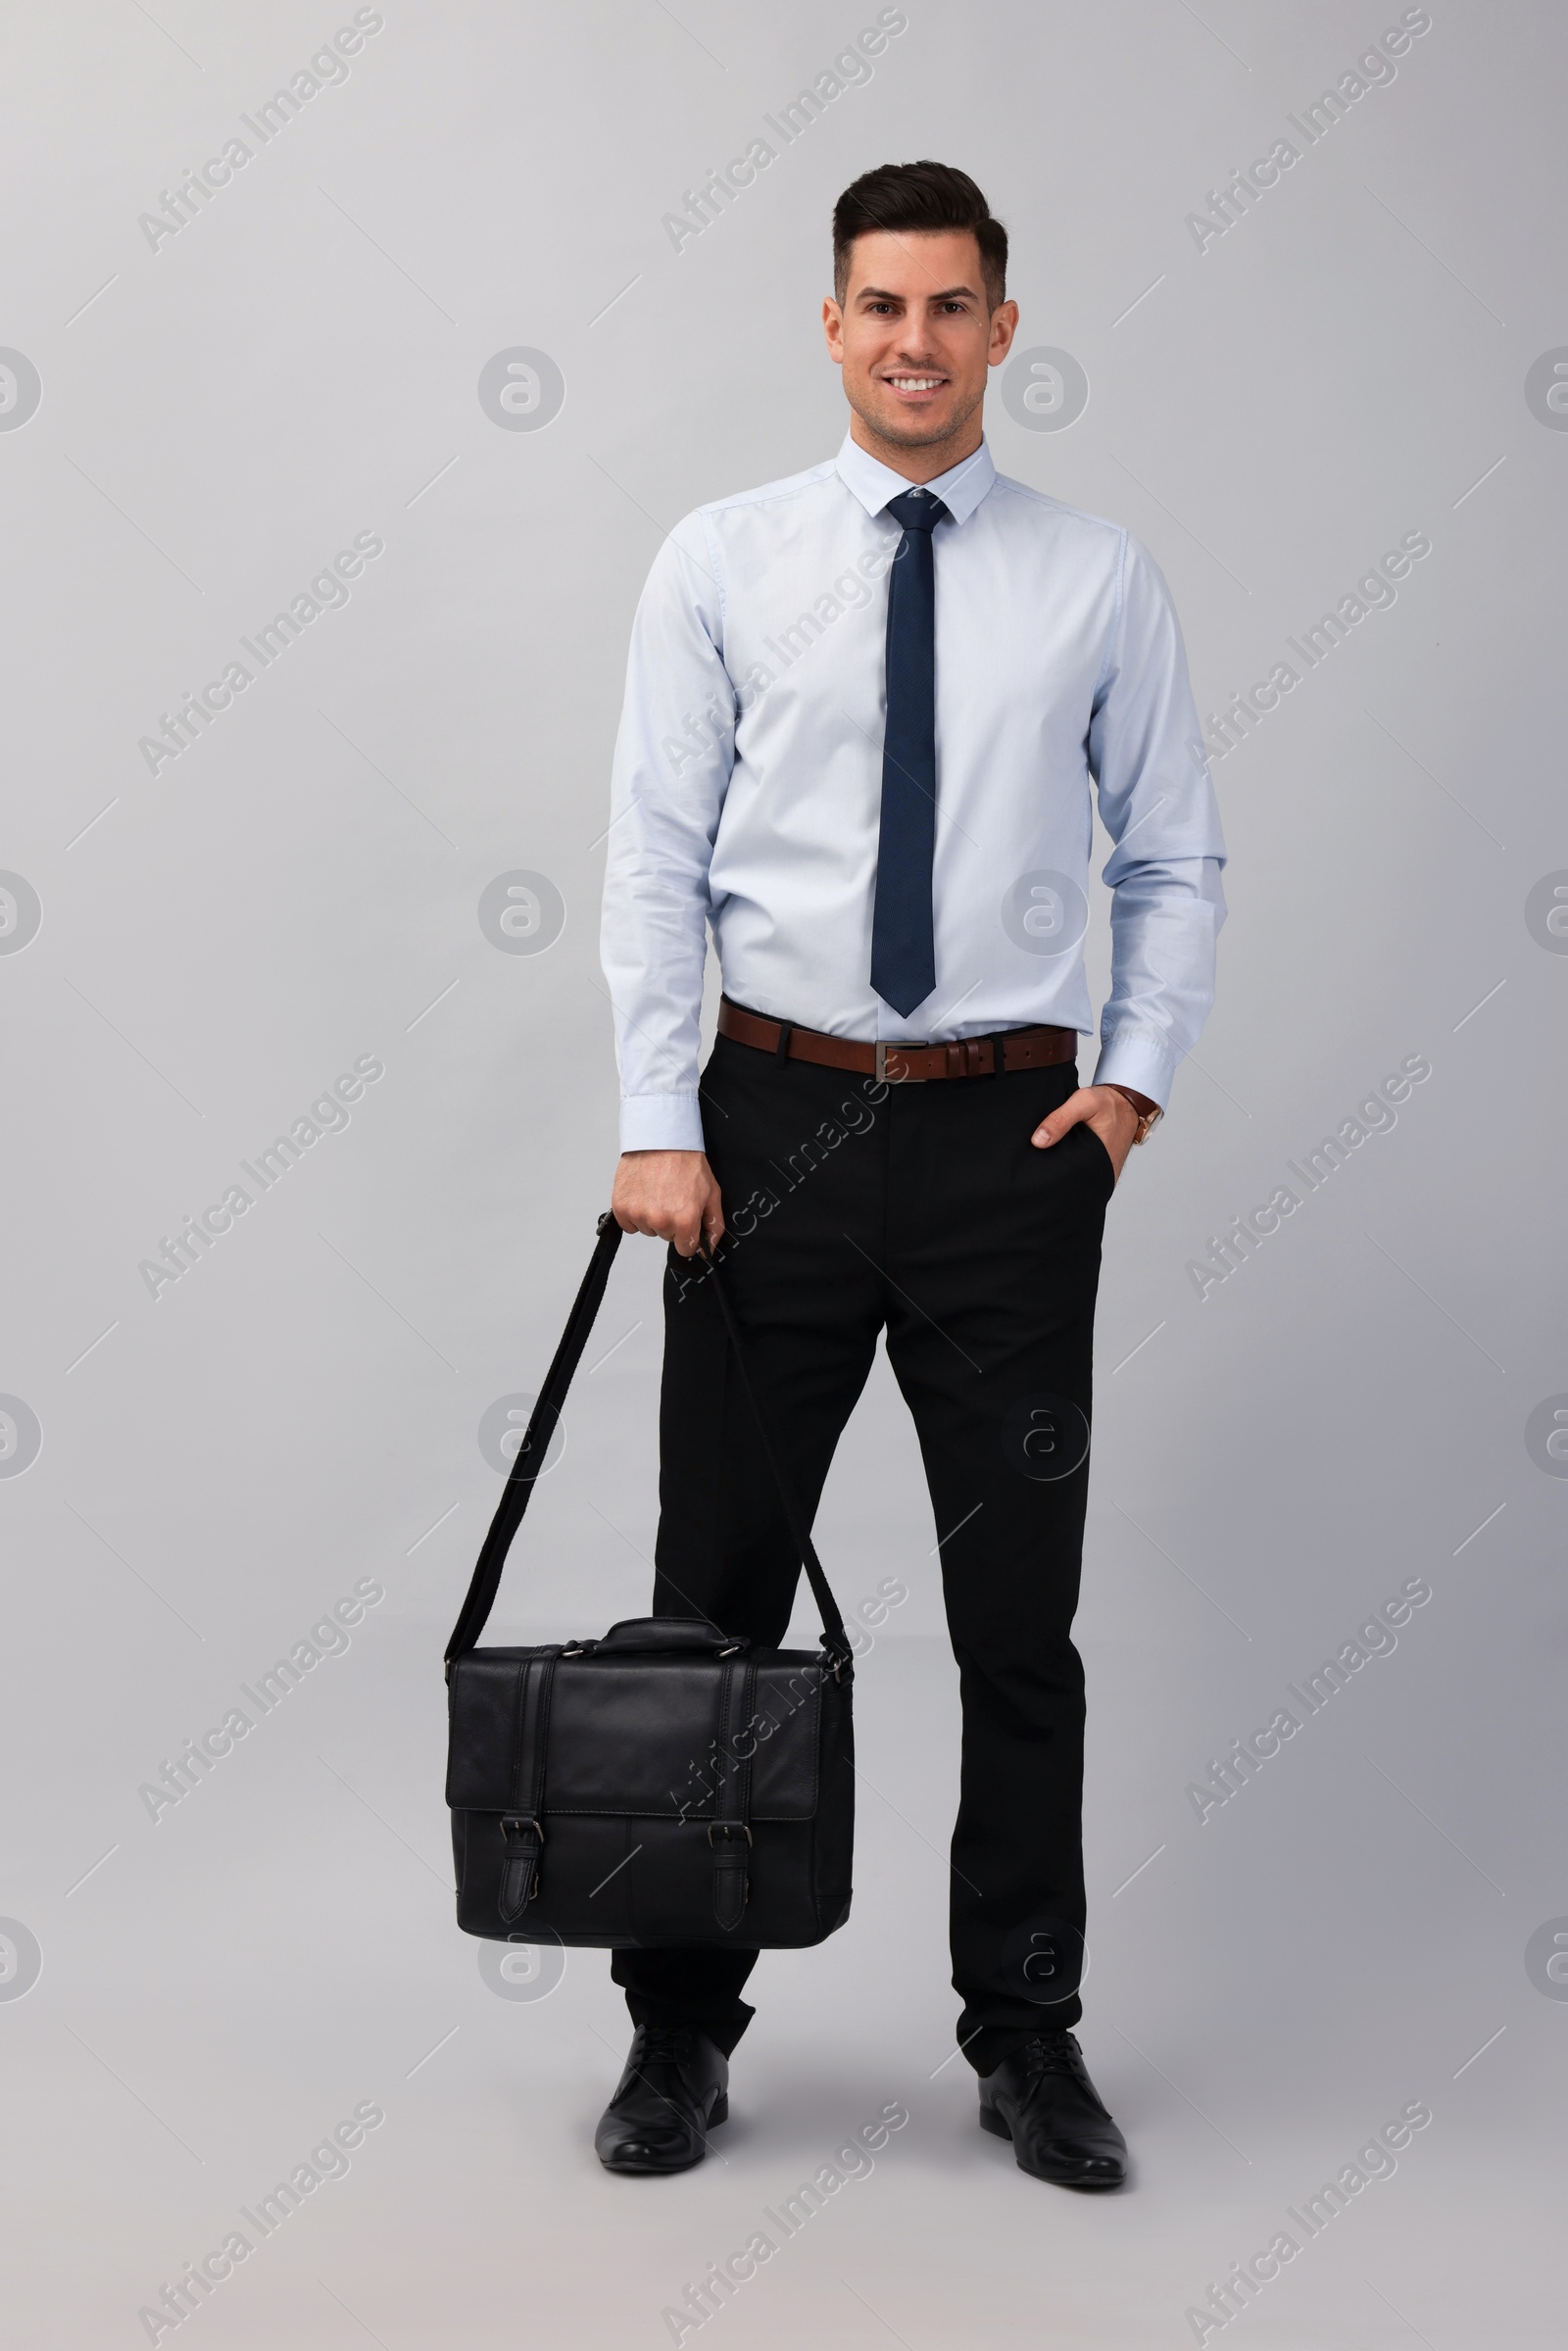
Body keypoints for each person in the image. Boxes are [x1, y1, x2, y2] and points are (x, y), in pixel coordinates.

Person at [594, 159, 1225, 2185]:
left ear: (1001, 332)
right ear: (828, 322)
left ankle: (1022, 2034)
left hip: (999, 1145)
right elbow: (649, 854)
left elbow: (1170, 851)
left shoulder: (1092, 573)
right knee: (710, 1605)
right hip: (763, 1130)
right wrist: (658, 1121)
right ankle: (676, 2030)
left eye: (950, 308)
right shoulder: (720, 558)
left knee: (1012, 1625)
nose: (913, 341)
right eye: (878, 304)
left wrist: (1123, 1090)